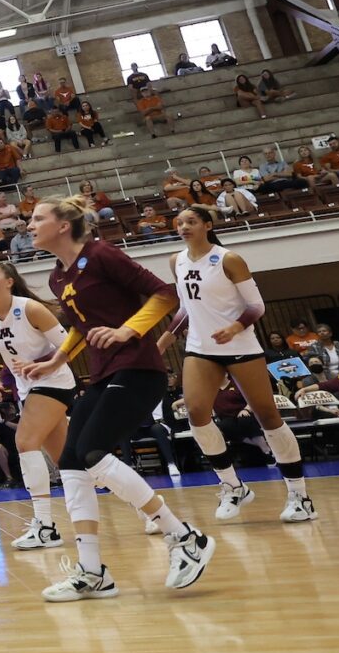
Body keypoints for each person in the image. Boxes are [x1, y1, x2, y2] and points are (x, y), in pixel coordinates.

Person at [13, 195, 214, 602]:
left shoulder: (102, 254)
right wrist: (55, 359)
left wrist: (127, 331)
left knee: (92, 452)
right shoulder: (57, 277)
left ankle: (185, 536)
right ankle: (92, 572)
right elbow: (83, 327)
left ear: (63, 225)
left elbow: (164, 295)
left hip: (138, 369)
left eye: (37, 219)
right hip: (104, 373)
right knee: (70, 460)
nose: (29, 226)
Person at [155, 206, 314, 523]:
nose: (184, 226)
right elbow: (186, 307)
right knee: (197, 416)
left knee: (267, 415)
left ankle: (300, 495)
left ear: (207, 225)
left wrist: (235, 327)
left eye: (191, 221)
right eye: (179, 222)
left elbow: (256, 306)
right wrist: (165, 338)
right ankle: (232, 486)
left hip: (240, 346)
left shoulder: (228, 259)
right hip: (201, 348)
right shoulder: (177, 261)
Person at [0, 263, 75, 551]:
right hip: (27, 388)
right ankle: (150, 510)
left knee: (25, 441)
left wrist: (40, 366)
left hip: (54, 380)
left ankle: (45, 526)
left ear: (9, 281)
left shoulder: (30, 308)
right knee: (70, 461)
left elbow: (68, 346)